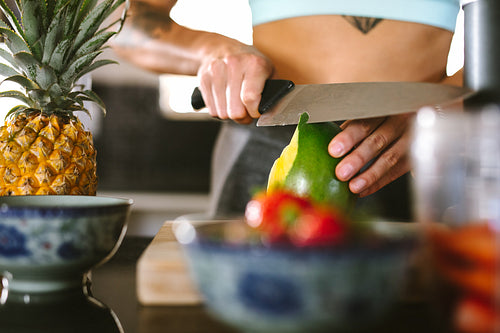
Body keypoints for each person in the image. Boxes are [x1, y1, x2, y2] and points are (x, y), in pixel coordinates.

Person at [112, 0, 463, 219]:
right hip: (269, 150)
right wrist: (210, 50)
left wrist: (448, 112)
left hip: (420, 152)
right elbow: (123, 21)